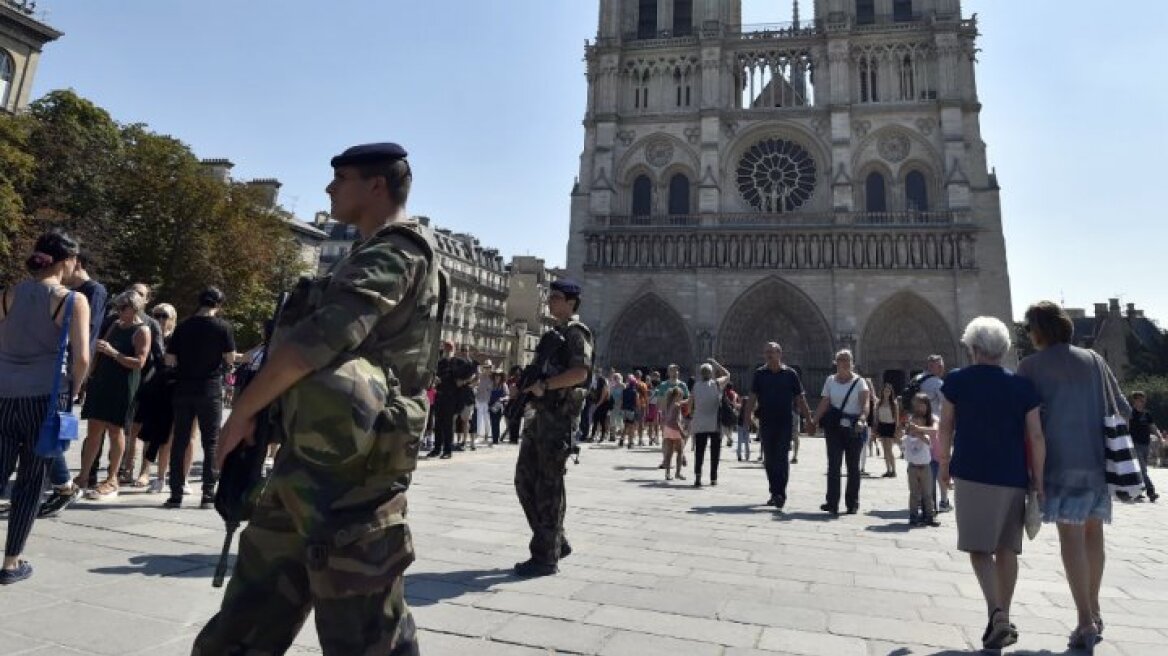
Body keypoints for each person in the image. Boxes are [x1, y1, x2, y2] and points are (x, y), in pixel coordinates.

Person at [194, 142, 440, 654]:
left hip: (353, 477)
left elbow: (319, 341)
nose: (330, 188)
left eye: (341, 177)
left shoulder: (395, 252)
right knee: (246, 619)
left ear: (375, 186)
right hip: (314, 459)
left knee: (368, 634)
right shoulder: (370, 252)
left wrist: (244, 411)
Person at [1017, 301, 1127, 650]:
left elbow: (1022, 420)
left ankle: (1084, 621)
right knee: (1094, 536)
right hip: (1097, 463)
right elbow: (1121, 407)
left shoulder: (1030, 366)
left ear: (1036, 330)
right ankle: (1094, 608)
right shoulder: (1094, 359)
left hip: (1059, 465)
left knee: (1071, 541)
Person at [939, 316, 1044, 652]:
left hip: (971, 472)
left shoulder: (957, 381)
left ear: (973, 348)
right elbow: (1037, 436)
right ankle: (1002, 615)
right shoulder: (1022, 388)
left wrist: (942, 466)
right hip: (1012, 476)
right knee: (1006, 548)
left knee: (979, 549)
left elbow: (945, 428)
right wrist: (1038, 481)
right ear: (1003, 350)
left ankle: (996, 613)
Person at [0, 232, 91, 584]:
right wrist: (76, 388)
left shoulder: (8, 294)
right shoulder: (71, 300)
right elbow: (82, 356)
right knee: (31, 481)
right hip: (45, 399)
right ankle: (11, 563)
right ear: (65, 260)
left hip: (4, 395)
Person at [512, 279, 591, 577]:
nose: (550, 301)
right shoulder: (554, 334)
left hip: (558, 420)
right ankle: (555, 539)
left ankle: (545, 556)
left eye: (556, 297)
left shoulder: (575, 333)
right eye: (550, 296)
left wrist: (545, 385)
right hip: (541, 418)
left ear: (572, 302)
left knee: (549, 486)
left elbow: (580, 373)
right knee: (524, 481)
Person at [37, 252, 106, 518]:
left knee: (51, 429)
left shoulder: (92, 292)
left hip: (66, 368)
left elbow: (87, 332)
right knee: (44, 429)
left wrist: (79, 376)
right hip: (57, 366)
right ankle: (56, 482)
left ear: (76, 262)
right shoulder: (71, 291)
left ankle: (63, 484)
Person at [163, 286, 235, 509]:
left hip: (184, 387)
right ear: (219, 304)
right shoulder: (223, 327)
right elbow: (230, 358)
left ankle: (176, 494)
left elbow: (169, 360)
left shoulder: (183, 326)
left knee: (180, 440)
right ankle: (208, 494)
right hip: (209, 388)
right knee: (211, 441)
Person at [76, 290, 151, 501]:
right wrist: (89, 374)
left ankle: (112, 478)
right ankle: (83, 476)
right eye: (117, 308)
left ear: (134, 308)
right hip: (102, 381)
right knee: (93, 430)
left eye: (122, 308)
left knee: (115, 430)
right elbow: (100, 351)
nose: (118, 312)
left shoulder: (142, 330)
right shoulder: (116, 325)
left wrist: (113, 352)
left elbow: (140, 362)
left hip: (122, 385)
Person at [741, 342, 813, 511]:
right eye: (766, 352)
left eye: (771, 352)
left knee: (781, 458)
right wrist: (747, 417)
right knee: (769, 459)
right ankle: (774, 491)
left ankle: (779, 493)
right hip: (766, 421)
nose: (768, 355)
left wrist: (809, 419)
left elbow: (800, 398)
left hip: (785, 422)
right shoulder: (760, 374)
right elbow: (752, 397)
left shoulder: (790, 374)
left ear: (780, 354)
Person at [811, 349, 870, 516]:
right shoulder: (830, 380)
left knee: (853, 467)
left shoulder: (860, 382)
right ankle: (832, 502)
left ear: (852, 362)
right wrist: (814, 420)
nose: (844, 363)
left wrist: (862, 419)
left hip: (854, 428)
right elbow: (825, 402)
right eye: (840, 360)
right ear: (835, 362)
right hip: (834, 428)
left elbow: (865, 404)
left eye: (847, 359)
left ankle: (852, 503)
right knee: (833, 465)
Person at [428, 341, 475, 459]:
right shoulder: (439, 363)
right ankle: (437, 448)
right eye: (446, 348)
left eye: (450, 349)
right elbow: (432, 375)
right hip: (439, 395)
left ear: (453, 349)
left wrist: (463, 382)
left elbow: (472, 373)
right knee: (437, 423)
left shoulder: (458, 362)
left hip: (451, 397)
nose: (448, 351)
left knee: (448, 424)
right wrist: (434, 380)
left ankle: (448, 450)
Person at [691, 360, 730, 487]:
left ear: (701, 374)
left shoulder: (695, 386)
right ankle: (713, 478)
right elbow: (728, 375)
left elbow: (691, 403)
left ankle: (698, 476)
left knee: (699, 452)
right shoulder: (716, 384)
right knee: (715, 452)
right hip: (714, 424)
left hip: (700, 424)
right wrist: (716, 363)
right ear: (711, 373)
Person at [903, 394, 940, 527]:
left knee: (928, 492)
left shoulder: (932, 418)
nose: (920, 407)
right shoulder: (912, 418)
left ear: (927, 405)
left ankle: (929, 515)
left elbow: (934, 431)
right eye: (917, 404)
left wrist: (918, 430)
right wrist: (912, 430)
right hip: (914, 464)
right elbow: (906, 435)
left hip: (932, 459)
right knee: (914, 493)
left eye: (922, 404)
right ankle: (914, 516)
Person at [1128, 391, 1161, 502]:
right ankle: (1151, 492)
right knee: (1142, 469)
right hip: (1135, 444)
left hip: (1146, 444)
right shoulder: (1130, 413)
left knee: (1140, 470)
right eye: (1140, 399)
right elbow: (1125, 426)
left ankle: (1137, 492)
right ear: (1135, 400)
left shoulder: (1147, 414)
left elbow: (1152, 426)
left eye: (1144, 399)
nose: (1143, 402)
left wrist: (1160, 436)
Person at [874, 382, 901, 478]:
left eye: (888, 391)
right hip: (882, 426)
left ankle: (894, 470)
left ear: (890, 392)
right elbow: (876, 417)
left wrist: (896, 430)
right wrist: (876, 429)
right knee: (884, 450)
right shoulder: (879, 403)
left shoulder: (894, 404)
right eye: (885, 391)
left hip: (891, 426)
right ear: (882, 392)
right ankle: (888, 470)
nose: (886, 393)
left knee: (889, 450)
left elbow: (897, 419)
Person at [473, 358, 493, 447]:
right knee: (479, 418)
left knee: (487, 419)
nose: (487, 368)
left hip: (488, 401)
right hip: (479, 399)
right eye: (485, 367)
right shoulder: (480, 376)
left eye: (488, 367)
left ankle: (486, 436)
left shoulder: (492, 378)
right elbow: (475, 386)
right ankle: (477, 436)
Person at [488, 371, 507, 445]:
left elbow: (507, 395)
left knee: (497, 422)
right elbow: (487, 394)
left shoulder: (503, 385)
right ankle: (494, 439)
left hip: (499, 406)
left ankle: (496, 439)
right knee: (493, 422)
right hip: (491, 406)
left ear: (501, 377)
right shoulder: (491, 384)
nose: (497, 377)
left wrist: (502, 399)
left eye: (499, 376)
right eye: (496, 375)